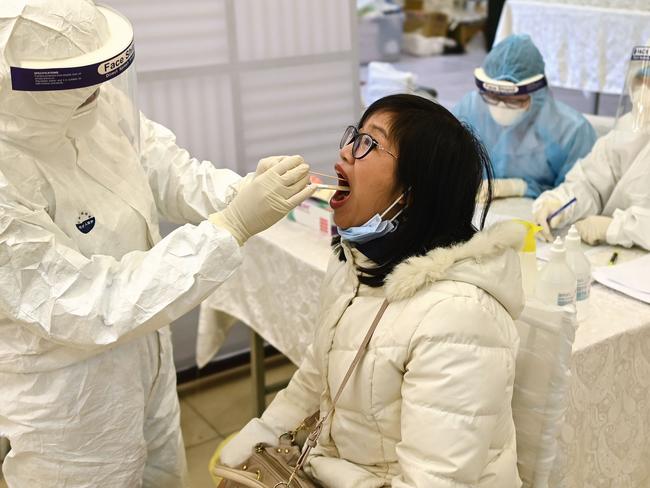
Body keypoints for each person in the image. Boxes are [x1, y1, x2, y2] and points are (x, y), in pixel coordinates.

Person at [0, 1, 314, 487]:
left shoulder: (96, 106)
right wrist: (230, 226)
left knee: (162, 472)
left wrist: (242, 192)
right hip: (69, 399)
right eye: (76, 82)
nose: (97, 93)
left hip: (147, 355)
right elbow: (90, 305)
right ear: (22, 84)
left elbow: (168, 171)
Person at [220, 94, 526, 487]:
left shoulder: (459, 317)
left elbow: (435, 480)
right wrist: (260, 439)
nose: (345, 151)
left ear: (413, 193)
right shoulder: (355, 264)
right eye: (354, 136)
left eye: (369, 143)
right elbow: (318, 375)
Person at [533, 45, 650, 250]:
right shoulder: (628, 127)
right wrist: (560, 203)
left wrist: (614, 228)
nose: (644, 92)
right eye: (641, 81)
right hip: (617, 258)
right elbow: (591, 183)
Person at [454, 34, 596, 199]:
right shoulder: (469, 109)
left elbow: (579, 195)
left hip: (538, 215)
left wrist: (520, 188)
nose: (501, 106)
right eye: (493, 97)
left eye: (514, 101)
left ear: (537, 93)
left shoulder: (571, 132)